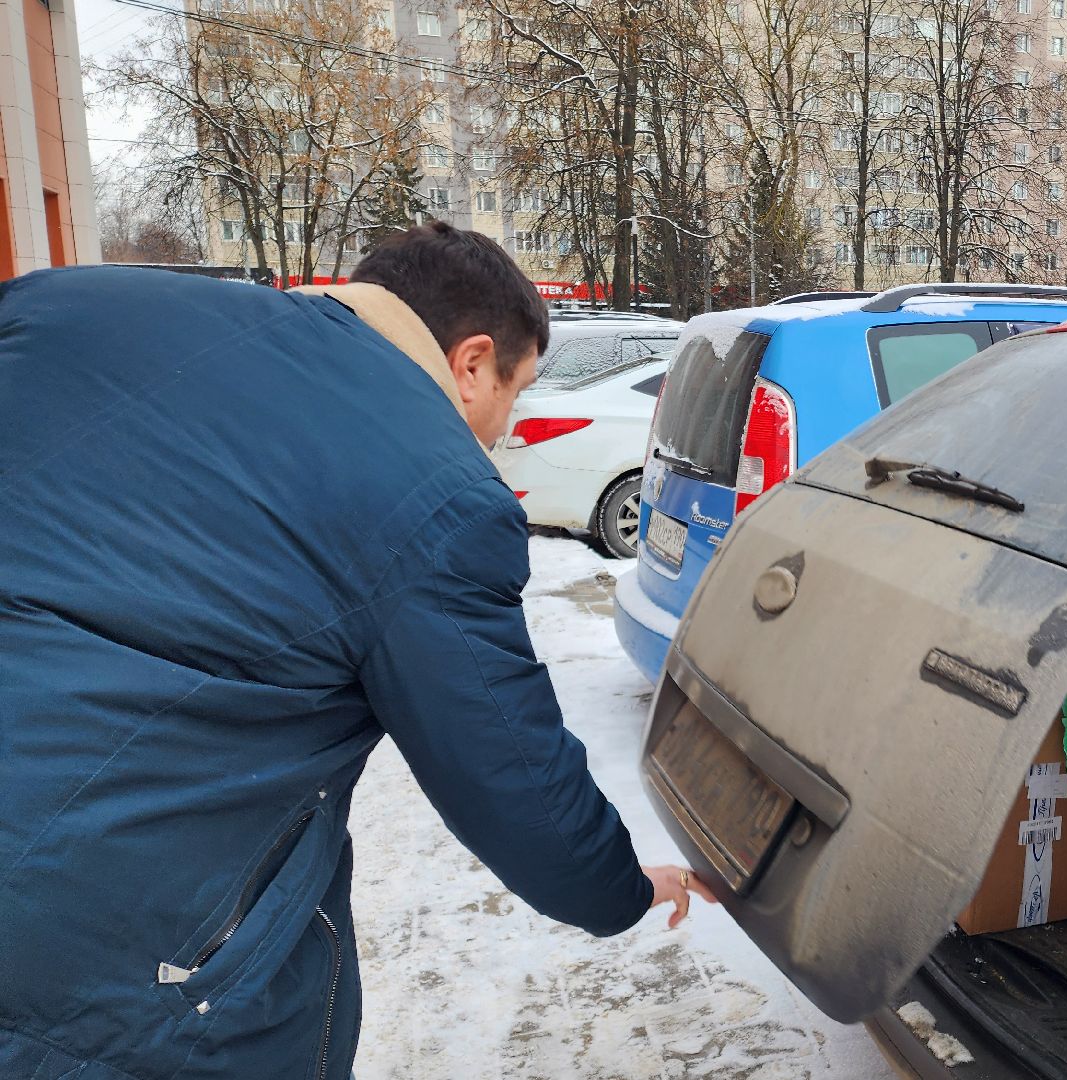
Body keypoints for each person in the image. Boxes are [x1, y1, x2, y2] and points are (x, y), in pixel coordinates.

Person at [0, 223, 714, 1080]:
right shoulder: (435, 492)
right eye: (514, 395)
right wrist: (622, 887)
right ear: (472, 362)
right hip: (103, 956)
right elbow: (507, 773)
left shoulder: (67, 307)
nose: (503, 428)